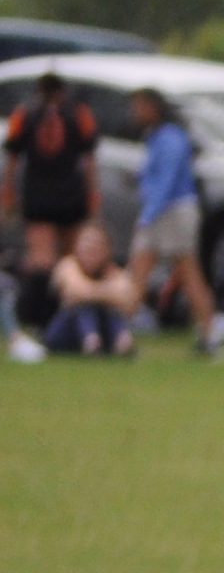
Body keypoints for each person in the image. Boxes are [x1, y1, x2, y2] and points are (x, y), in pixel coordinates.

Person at [6, 69, 101, 362]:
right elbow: (89, 161)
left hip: (38, 196)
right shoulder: (79, 113)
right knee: (71, 261)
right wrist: (93, 197)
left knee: (41, 261)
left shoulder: (24, 114)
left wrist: (8, 194)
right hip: (70, 195)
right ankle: (66, 318)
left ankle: (39, 321)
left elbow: (11, 159)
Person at [122, 88, 220, 360]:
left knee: (187, 271)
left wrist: (148, 214)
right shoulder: (154, 137)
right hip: (160, 210)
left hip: (173, 210)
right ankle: (120, 332)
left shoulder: (172, 138)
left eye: (139, 106)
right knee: (138, 270)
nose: (135, 113)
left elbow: (167, 181)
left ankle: (209, 333)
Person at [44, 221, 136, 355]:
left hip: (104, 332)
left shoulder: (113, 271)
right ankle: (91, 341)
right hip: (65, 334)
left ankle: (121, 342)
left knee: (107, 309)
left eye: (97, 246)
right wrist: (108, 293)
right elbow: (76, 291)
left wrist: (93, 294)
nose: (91, 251)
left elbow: (128, 300)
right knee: (83, 307)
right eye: (87, 245)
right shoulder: (67, 265)